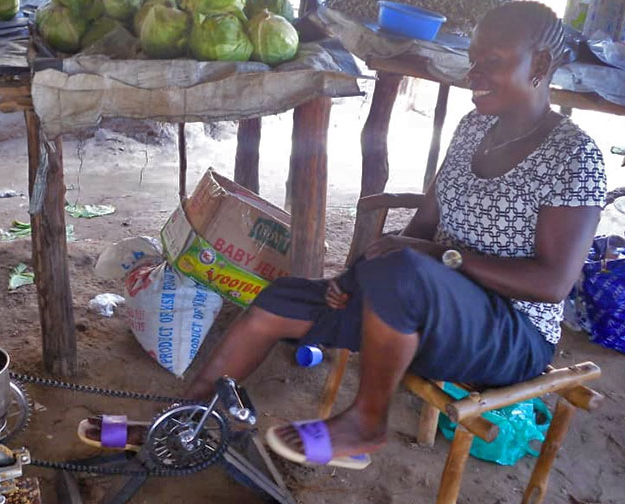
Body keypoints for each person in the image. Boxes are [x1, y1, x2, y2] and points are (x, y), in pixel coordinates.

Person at [182, 0, 606, 468]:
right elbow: (420, 229)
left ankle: (366, 423)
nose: (474, 75)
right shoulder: (474, 128)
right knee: (284, 298)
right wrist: (360, 278)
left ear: (540, 65)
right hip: (424, 311)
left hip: (512, 334)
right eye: (473, 61)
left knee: (405, 271)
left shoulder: (573, 156)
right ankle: (190, 418)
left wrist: (441, 256)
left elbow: (551, 285)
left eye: (493, 63)